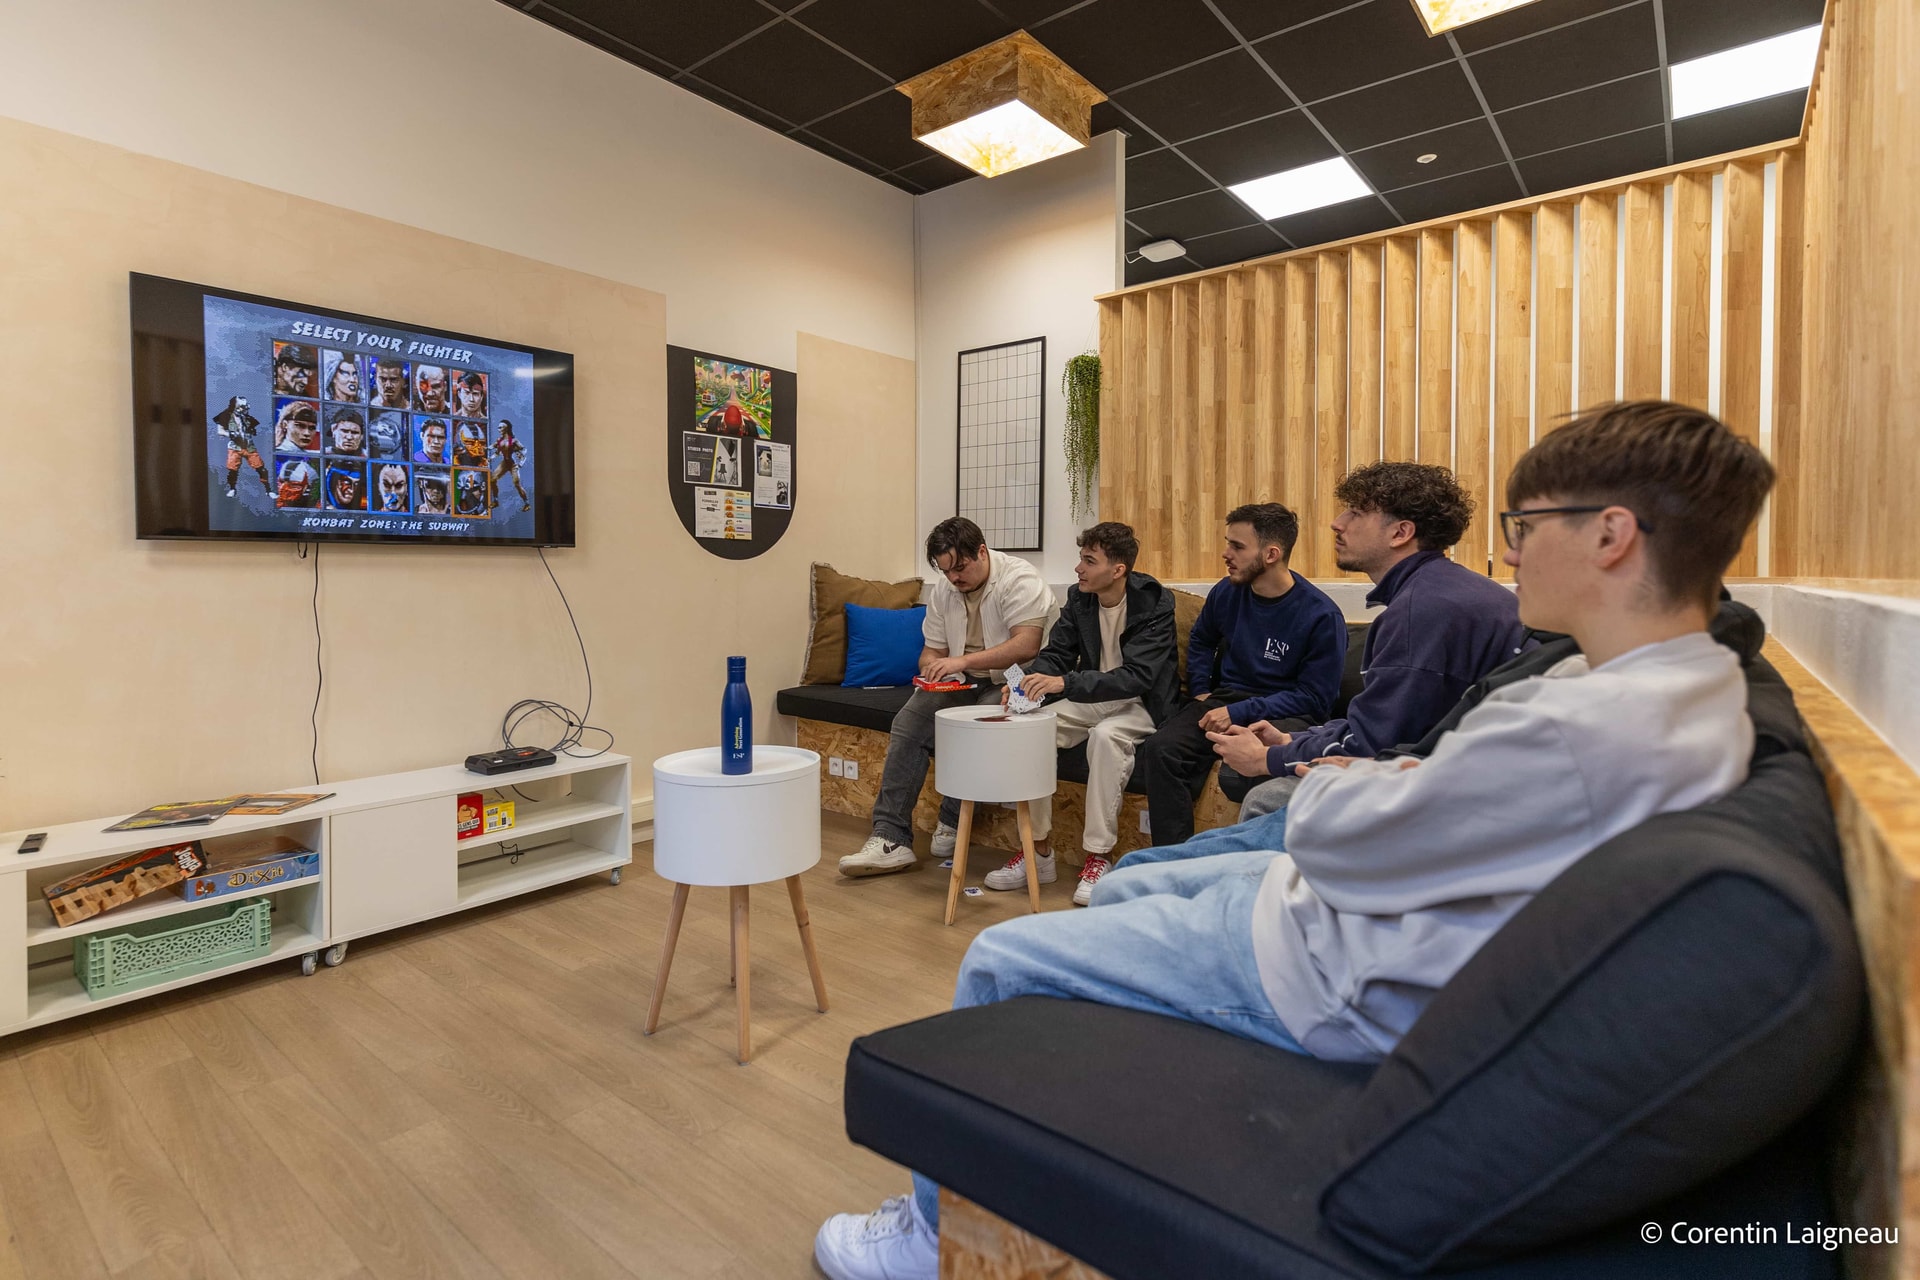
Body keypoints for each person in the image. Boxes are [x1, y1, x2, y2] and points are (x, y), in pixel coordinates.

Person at [814, 400, 1776, 1280]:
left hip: (1326, 961)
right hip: (1350, 918)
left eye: (1526, 530)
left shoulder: (1582, 725)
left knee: (1002, 954)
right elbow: (1423, 793)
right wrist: (1365, 777)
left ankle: (929, 1240)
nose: (1512, 558)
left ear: (1612, 535)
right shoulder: (1671, 692)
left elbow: (1350, 837)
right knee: (1119, 888)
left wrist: (1319, 777)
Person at [1204, 462, 1531, 827]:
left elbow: (1373, 746)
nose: (1337, 522)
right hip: (1458, 763)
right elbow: (1381, 723)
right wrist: (1288, 738)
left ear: (1400, 533)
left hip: (1476, 790)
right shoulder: (1437, 591)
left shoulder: (1420, 612)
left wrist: (1266, 759)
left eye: (1356, 513)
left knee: (1268, 800)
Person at [838, 517, 1053, 878]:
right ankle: (890, 838)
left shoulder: (1020, 578)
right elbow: (931, 651)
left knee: (976, 725)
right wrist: (935, 670)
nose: (954, 578)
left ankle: (953, 820)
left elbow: (1026, 643)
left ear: (981, 552)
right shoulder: (944, 590)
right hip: (963, 679)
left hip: (1019, 679)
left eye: (960, 567)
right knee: (908, 723)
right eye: (946, 570)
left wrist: (962, 660)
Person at [983, 522, 1178, 906]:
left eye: (1089, 561)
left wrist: (1065, 684)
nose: (1078, 569)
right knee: (1031, 728)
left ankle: (1098, 857)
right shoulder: (1080, 599)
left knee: (1107, 737)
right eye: (1080, 558)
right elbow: (1057, 653)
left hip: (1141, 703)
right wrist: (1023, 682)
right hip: (1093, 696)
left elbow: (1136, 678)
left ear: (1118, 570)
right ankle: (1038, 852)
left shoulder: (1154, 603)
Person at [1134, 503, 1346, 847]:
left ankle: (1255, 862)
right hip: (1226, 700)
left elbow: (1315, 697)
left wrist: (1239, 713)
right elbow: (1202, 639)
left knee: (1248, 771)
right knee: (1161, 749)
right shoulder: (1227, 591)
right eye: (1227, 543)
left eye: (1237, 546)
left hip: (1288, 712)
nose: (1225, 553)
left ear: (1271, 553)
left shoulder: (1320, 615)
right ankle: (1175, 856)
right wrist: (1202, 690)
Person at [212, 395, 272, 499]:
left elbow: (254, 429)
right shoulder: (225, 416)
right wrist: (230, 434)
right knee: (232, 470)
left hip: (249, 447)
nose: (243, 409)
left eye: (245, 407)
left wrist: (252, 430)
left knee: (262, 469)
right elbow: (220, 431)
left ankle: (268, 490)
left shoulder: (247, 417)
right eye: (240, 407)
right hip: (235, 447)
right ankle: (232, 489)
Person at [490, 419, 528, 512]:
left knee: (517, 484)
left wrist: (521, 460)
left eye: (500, 427)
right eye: (498, 427)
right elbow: (496, 452)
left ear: (506, 428)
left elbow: (524, 449)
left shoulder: (513, 440)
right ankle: (495, 501)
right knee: (492, 479)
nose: (498, 429)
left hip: (513, 463)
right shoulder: (499, 440)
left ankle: (526, 503)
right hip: (505, 463)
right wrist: (490, 457)